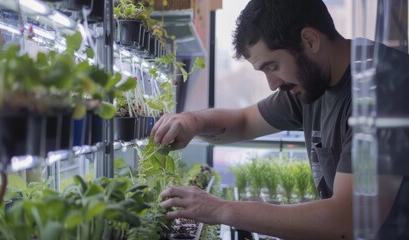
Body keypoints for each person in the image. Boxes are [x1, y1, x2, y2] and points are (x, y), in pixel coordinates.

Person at [150, 0, 409, 239]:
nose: (273, 84)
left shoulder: (382, 90)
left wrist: (220, 210)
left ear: (309, 40)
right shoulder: (313, 82)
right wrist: (191, 121)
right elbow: (243, 121)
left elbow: (346, 221)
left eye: (272, 66)